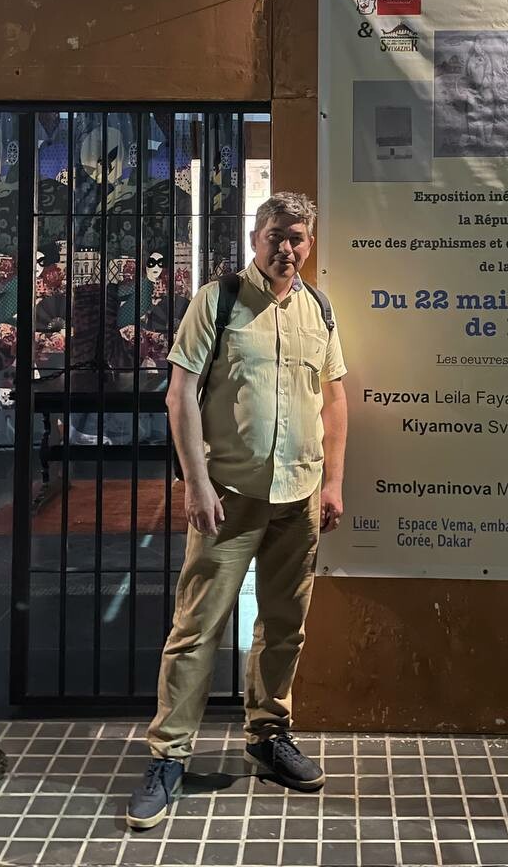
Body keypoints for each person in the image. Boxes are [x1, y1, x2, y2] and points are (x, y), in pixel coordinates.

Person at [126, 191, 348, 830]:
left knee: (284, 626)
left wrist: (333, 483)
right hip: (229, 498)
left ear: (309, 244)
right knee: (197, 628)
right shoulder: (217, 301)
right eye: (276, 235)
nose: (287, 248)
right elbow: (180, 396)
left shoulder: (318, 309)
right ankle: (169, 757)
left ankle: (268, 736)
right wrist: (196, 484)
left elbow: (334, 399)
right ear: (256, 238)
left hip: (299, 498)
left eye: (298, 238)